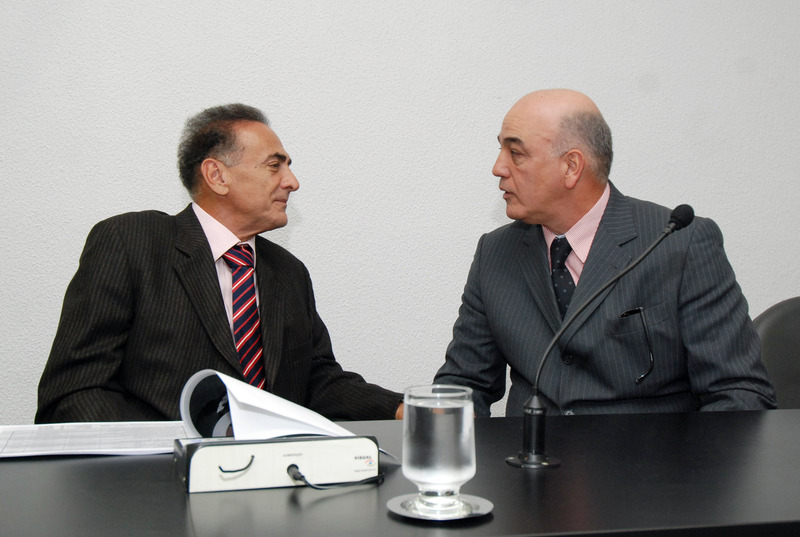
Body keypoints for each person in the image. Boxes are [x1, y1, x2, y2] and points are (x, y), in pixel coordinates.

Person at [36, 104, 403, 423]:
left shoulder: (289, 272)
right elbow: (75, 392)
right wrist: (174, 450)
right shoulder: (132, 242)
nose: (292, 182)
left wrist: (409, 409)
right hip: (159, 473)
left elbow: (318, 382)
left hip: (271, 473)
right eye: (274, 166)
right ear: (217, 176)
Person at [434, 89, 776, 416]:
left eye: (516, 153)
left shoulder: (680, 243)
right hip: (530, 454)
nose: (498, 167)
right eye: (500, 150)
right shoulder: (495, 253)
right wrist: (441, 435)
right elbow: (464, 384)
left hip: (648, 456)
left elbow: (740, 394)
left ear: (571, 166)